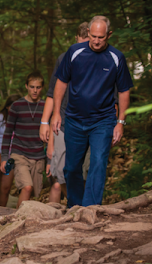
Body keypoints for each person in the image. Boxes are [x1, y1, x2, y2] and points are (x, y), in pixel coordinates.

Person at [51, 16, 133, 207]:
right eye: (93, 36)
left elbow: (124, 91)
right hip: (74, 119)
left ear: (109, 35)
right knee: (71, 168)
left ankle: (91, 209)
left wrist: (120, 122)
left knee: (97, 164)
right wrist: (56, 113)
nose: (96, 41)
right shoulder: (74, 52)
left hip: (103, 121)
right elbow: (61, 83)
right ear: (88, 33)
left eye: (101, 37)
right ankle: (75, 206)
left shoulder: (116, 57)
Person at [40, 22, 91, 203]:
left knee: (85, 169)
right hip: (64, 121)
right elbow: (52, 93)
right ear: (75, 39)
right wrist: (45, 121)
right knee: (60, 170)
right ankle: (77, 202)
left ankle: (82, 205)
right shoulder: (64, 59)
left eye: (88, 43)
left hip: (90, 123)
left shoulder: (100, 59)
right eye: (81, 42)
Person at [1, 72, 46, 208]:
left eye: (38, 87)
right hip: (19, 153)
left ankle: (27, 223)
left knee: (34, 193)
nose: (35, 90)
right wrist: (4, 157)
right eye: (32, 87)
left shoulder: (46, 106)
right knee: (27, 187)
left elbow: (50, 135)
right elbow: (8, 132)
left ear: (42, 88)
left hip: (38, 155)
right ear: (26, 86)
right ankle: (17, 220)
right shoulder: (17, 106)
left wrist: (49, 160)